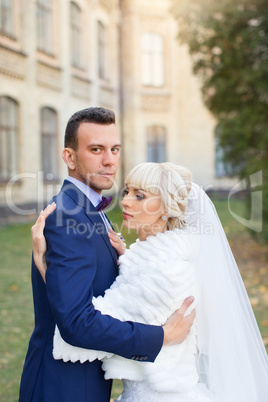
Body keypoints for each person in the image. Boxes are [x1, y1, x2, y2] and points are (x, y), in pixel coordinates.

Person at [32, 162, 268, 401]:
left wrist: (46, 268)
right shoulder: (163, 259)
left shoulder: (166, 275)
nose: (124, 201)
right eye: (127, 191)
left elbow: (85, 327)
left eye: (140, 196)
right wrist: (128, 258)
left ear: (166, 208)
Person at [19, 108, 195, 402]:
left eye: (114, 149)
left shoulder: (91, 210)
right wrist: (162, 336)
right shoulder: (67, 216)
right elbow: (77, 322)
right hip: (63, 388)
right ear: (70, 157)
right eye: (96, 149)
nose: (110, 160)